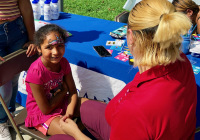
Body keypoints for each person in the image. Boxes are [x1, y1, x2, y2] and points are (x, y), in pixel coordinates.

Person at [49, 0, 197, 139]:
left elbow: (137, 112)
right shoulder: (182, 61)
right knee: (84, 106)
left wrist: (76, 134)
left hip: (132, 121)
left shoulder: (134, 110)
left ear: (130, 36)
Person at [25, 24, 86, 138]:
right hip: (42, 114)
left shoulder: (63, 62)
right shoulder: (35, 72)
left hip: (61, 102)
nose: (56, 52)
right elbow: (46, 109)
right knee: (73, 134)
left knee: (93, 110)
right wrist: (63, 92)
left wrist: (69, 112)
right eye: (49, 47)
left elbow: (72, 91)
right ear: (39, 48)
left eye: (60, 46)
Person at [0, 0, 36, 140]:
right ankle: (2, 121)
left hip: (17, 30)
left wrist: (32, 38)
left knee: (14, 77)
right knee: (4, 85)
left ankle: (9, 114)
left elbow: (25, 6)